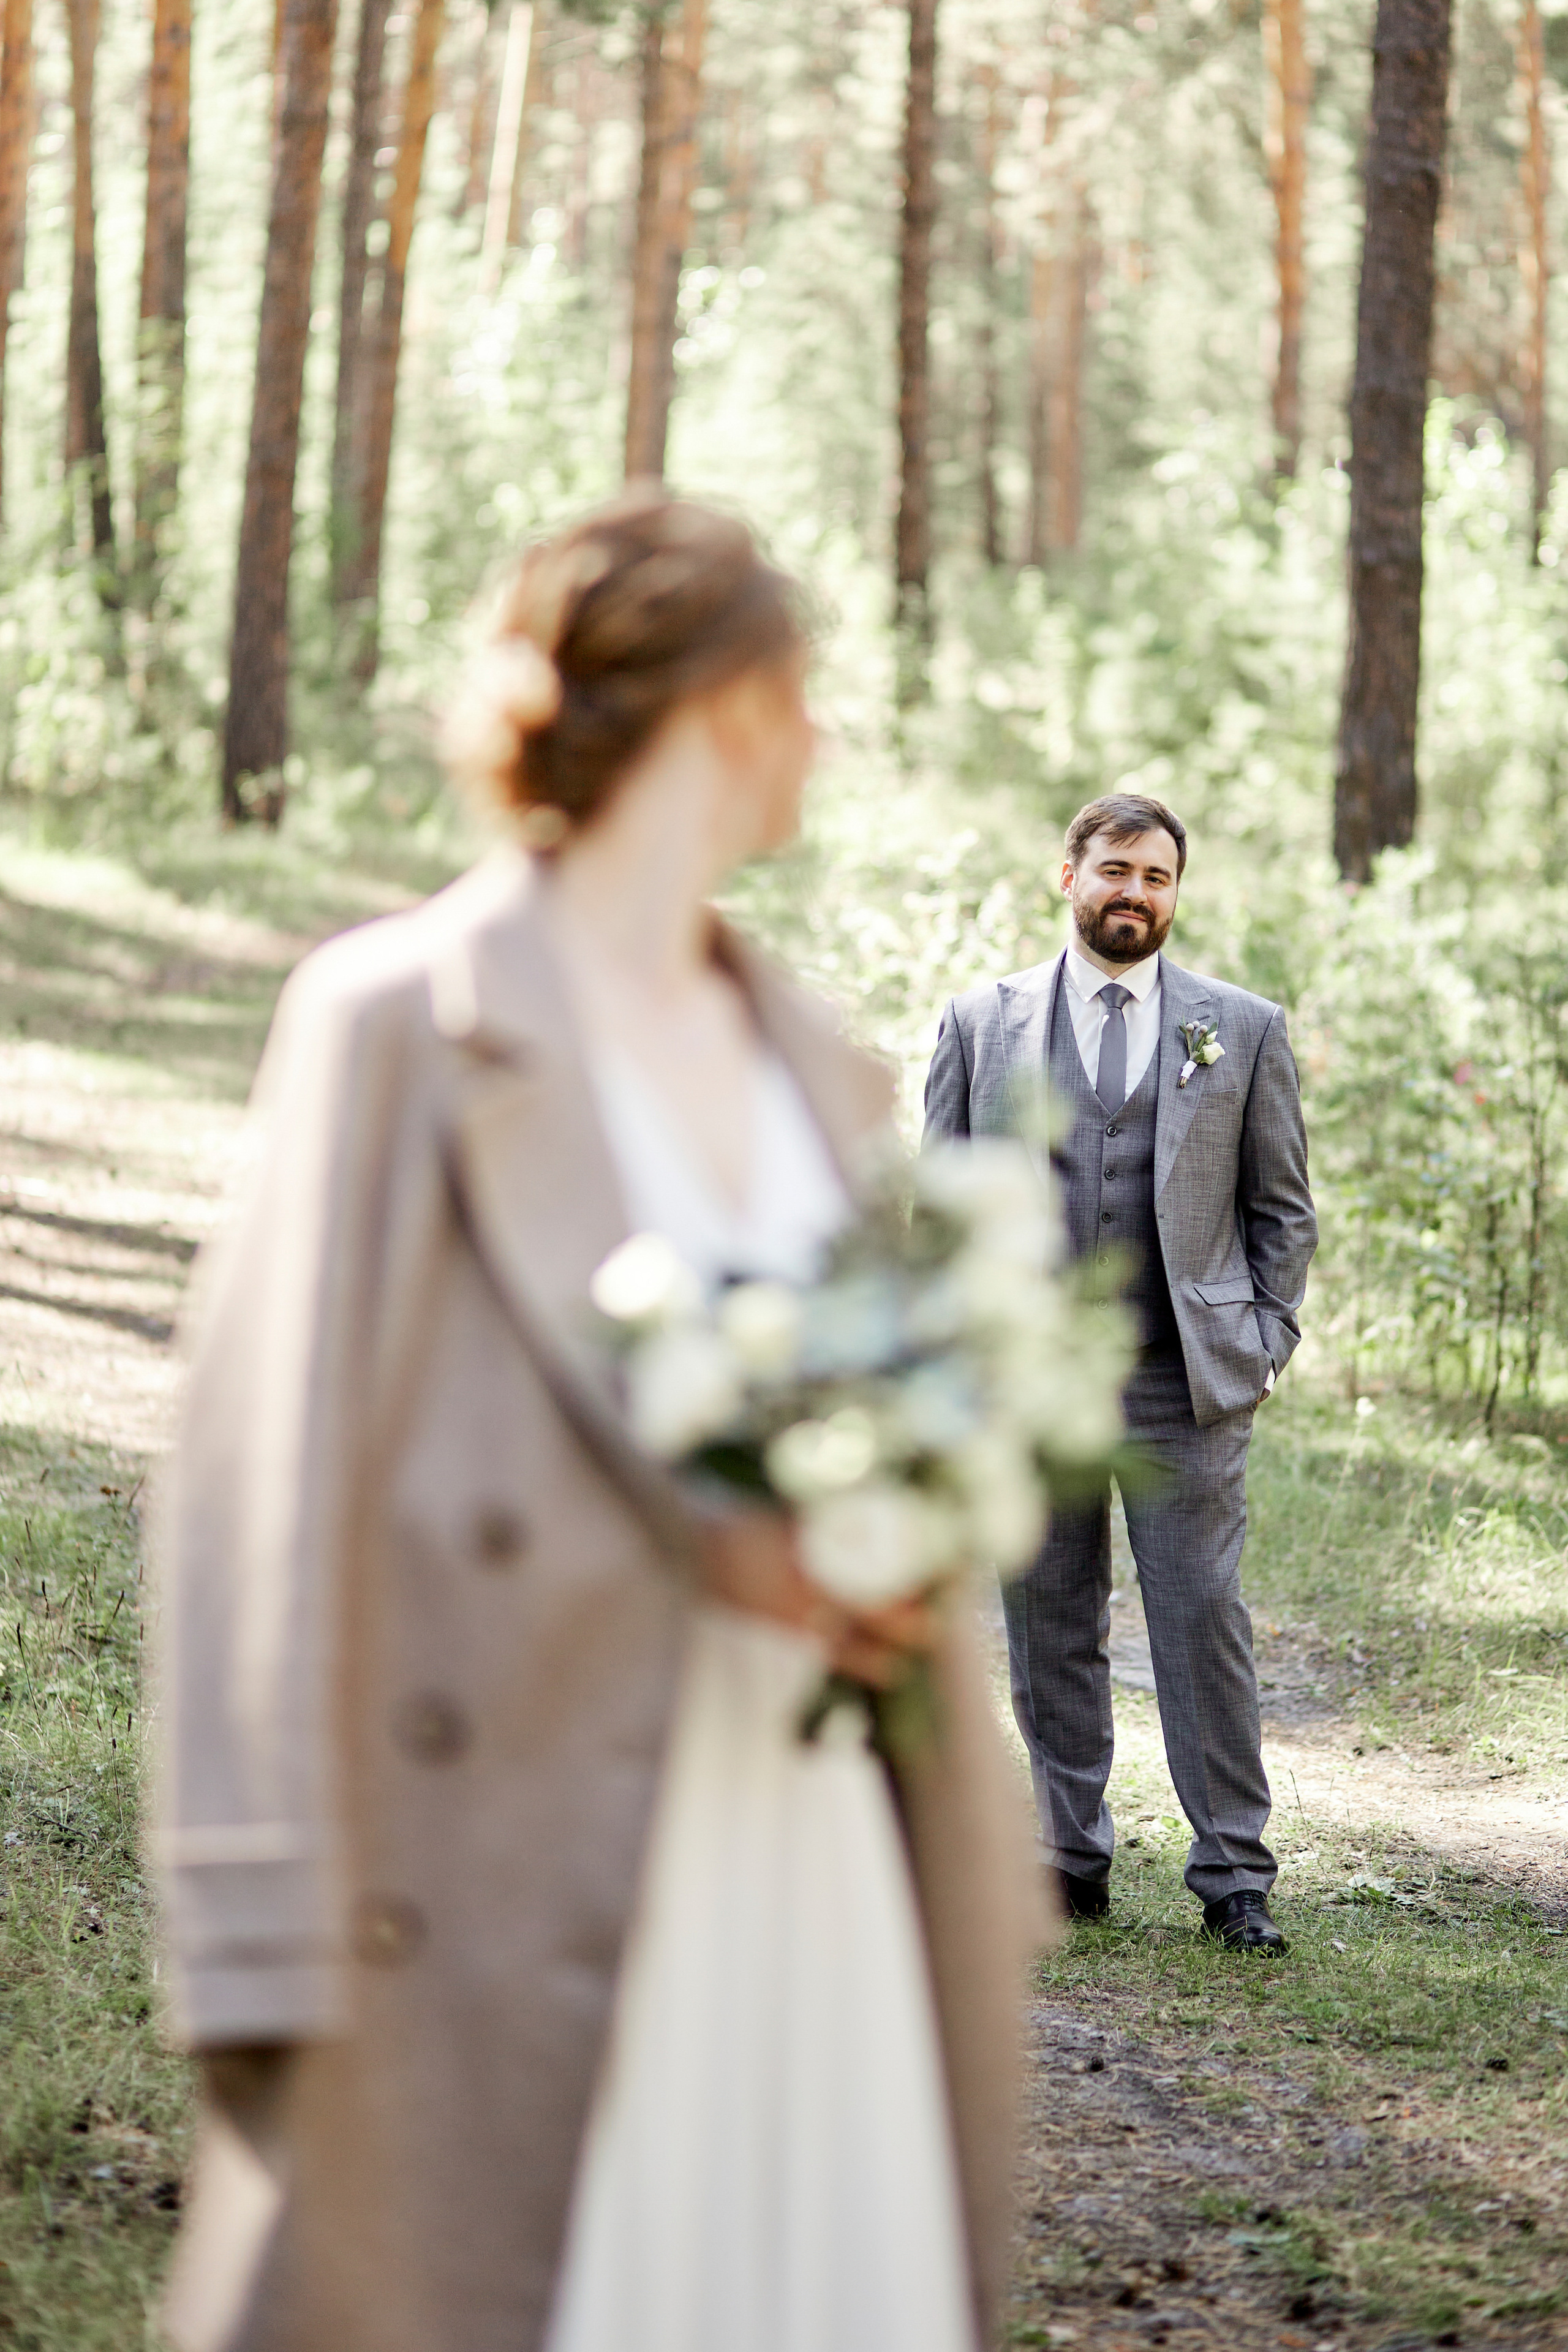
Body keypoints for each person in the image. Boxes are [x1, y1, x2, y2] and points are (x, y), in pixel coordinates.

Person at [154, 490, 1046, 2352]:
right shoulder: (398, 1020)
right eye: (807, 696)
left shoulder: (815, 1052)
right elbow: (259, 1492)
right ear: (727, 705)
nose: (821, 740)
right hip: (510, 1850)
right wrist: (259, 1935)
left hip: (817, 1849)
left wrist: (900, 1554)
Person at [921, 793, 1317, 1955]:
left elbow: (1281, 1210)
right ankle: (1068, 1854)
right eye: (1114, 871)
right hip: (1029, 1378)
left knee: (1201, 1618)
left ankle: (1234, 1872)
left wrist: (1263, 1341)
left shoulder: (1240, 1029)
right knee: (1049, 1616)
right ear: (1069, 877)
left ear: (1175, 894)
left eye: (1156, 877)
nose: (1133, 894)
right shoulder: (979, 1021)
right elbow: (938, 1208)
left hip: (1183, 1380)